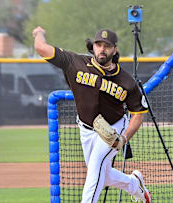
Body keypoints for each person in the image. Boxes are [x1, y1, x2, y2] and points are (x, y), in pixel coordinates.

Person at [32, 26, 152, 203]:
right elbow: (42, 48)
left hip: (113, 128)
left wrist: (124, 138)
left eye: (107, 45)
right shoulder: (75, 62)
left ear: (115, 49)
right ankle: (134, 184)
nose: (102, 49)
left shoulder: (126, 81)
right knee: (103, 174)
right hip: (86, 127)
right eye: (98, 44)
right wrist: (38, 33)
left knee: (95, 171)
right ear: (93, 46)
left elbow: (139, 113)